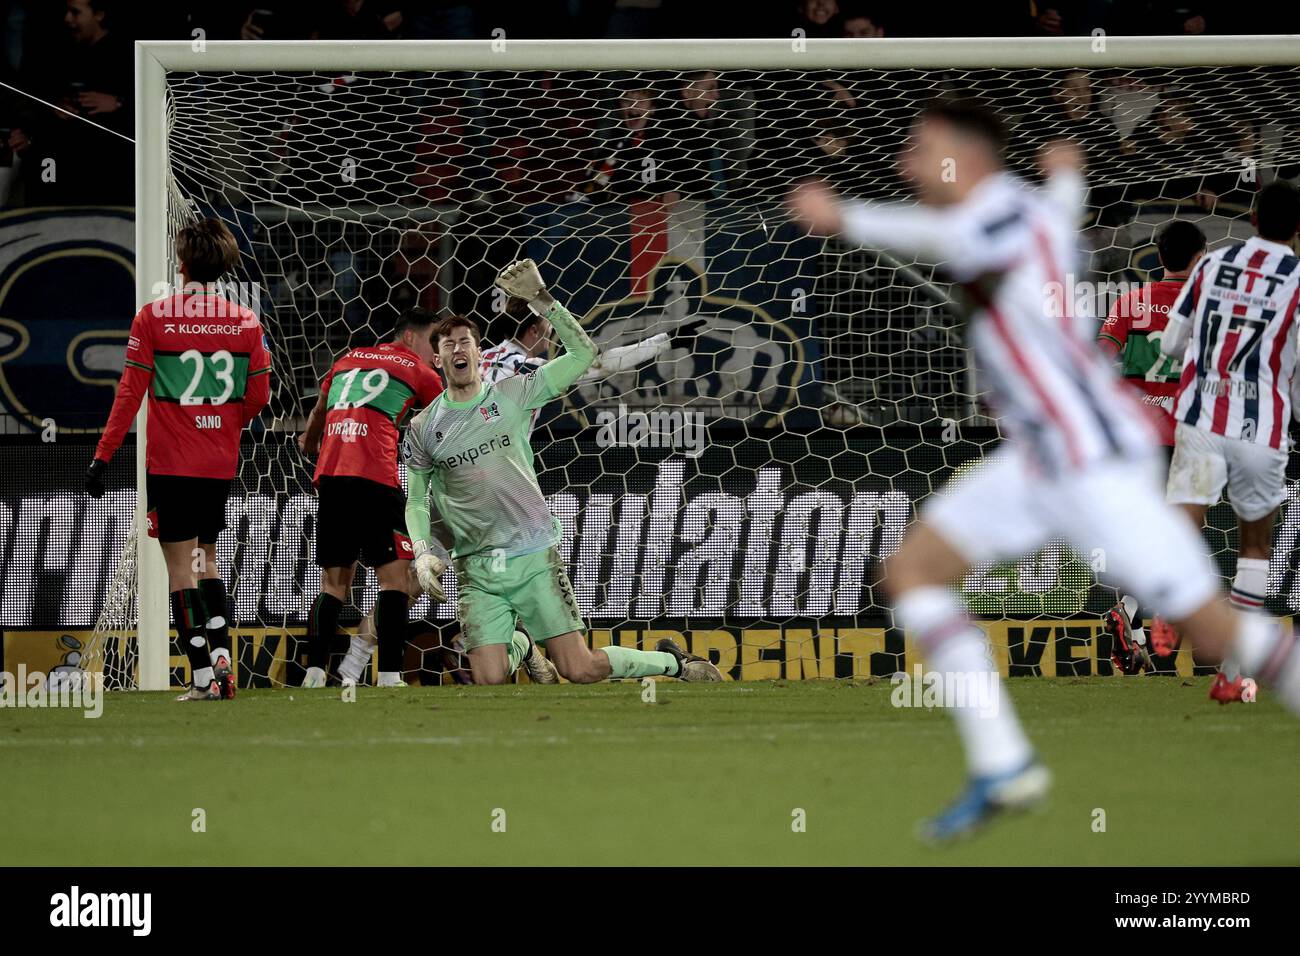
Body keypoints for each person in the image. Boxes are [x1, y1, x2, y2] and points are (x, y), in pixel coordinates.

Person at [787, 97, 1300, 842]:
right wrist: (1067, 176)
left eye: (920, 148)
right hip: (1035, 458)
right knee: (911, 573)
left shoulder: (991, 216)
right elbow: (1054, 204)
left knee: (1218, 637)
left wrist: (846, 216)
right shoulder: (1034, 209)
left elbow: (950, 234)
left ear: (968, 157)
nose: (906, 163)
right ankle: (1003, 765)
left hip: (1091, 459)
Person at [402, 261, 722, 685]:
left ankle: (526, 646)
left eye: (465, 342)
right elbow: (599, 362)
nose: (459, 350)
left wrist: (542, 301)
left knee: (579, 668)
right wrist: (665, 340)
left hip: (513, 523)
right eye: (450, 344)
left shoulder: (513, 384)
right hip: (467, 523)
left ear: (480, 349)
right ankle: (490, 645)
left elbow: (583, 357)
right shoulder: (506, 378)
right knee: (480, 670)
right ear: (438, 355)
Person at [85, 218, 271, 701]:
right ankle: (223, 652)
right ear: (225, 265)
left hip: (171, 463)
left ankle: (204, 677)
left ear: (181, 263)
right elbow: (259, 395)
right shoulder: (247, 322)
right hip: (217, 464)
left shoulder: (153, 317)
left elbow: (130, 392)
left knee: (180, 571)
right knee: (206, 560)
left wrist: (103, 455)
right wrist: (223, 425)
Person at [1160, 180, 1300, 702]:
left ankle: (1169, 612)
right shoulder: (1297, 279)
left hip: (1201, 416)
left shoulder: (1212, 266)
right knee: (1255, 547)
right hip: (1262, 427)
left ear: (1254, 220)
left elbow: (1173, 343)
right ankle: (1230, 675)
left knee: (1183, 521)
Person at [297, 307, 445, 688]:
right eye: (433, 344)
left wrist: (310, 442)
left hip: (331, 475)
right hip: (376, 477)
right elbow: (450, 419)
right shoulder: (419, 371)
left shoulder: (347, 359)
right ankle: (390, 675)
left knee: (333, 585)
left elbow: (318, 408)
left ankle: (314, 673)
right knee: (395, 579)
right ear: (410, 337)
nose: (436, 356)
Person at [1096, 219, 1207, 676]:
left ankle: (1134, 621)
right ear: (1200, 257)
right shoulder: (1206, 305)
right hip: (1187, 433)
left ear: (1159, 257)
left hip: (1138, 437)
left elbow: (1100, 360)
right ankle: (1164, 624)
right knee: (1183, 535)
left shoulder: (1130, 301)